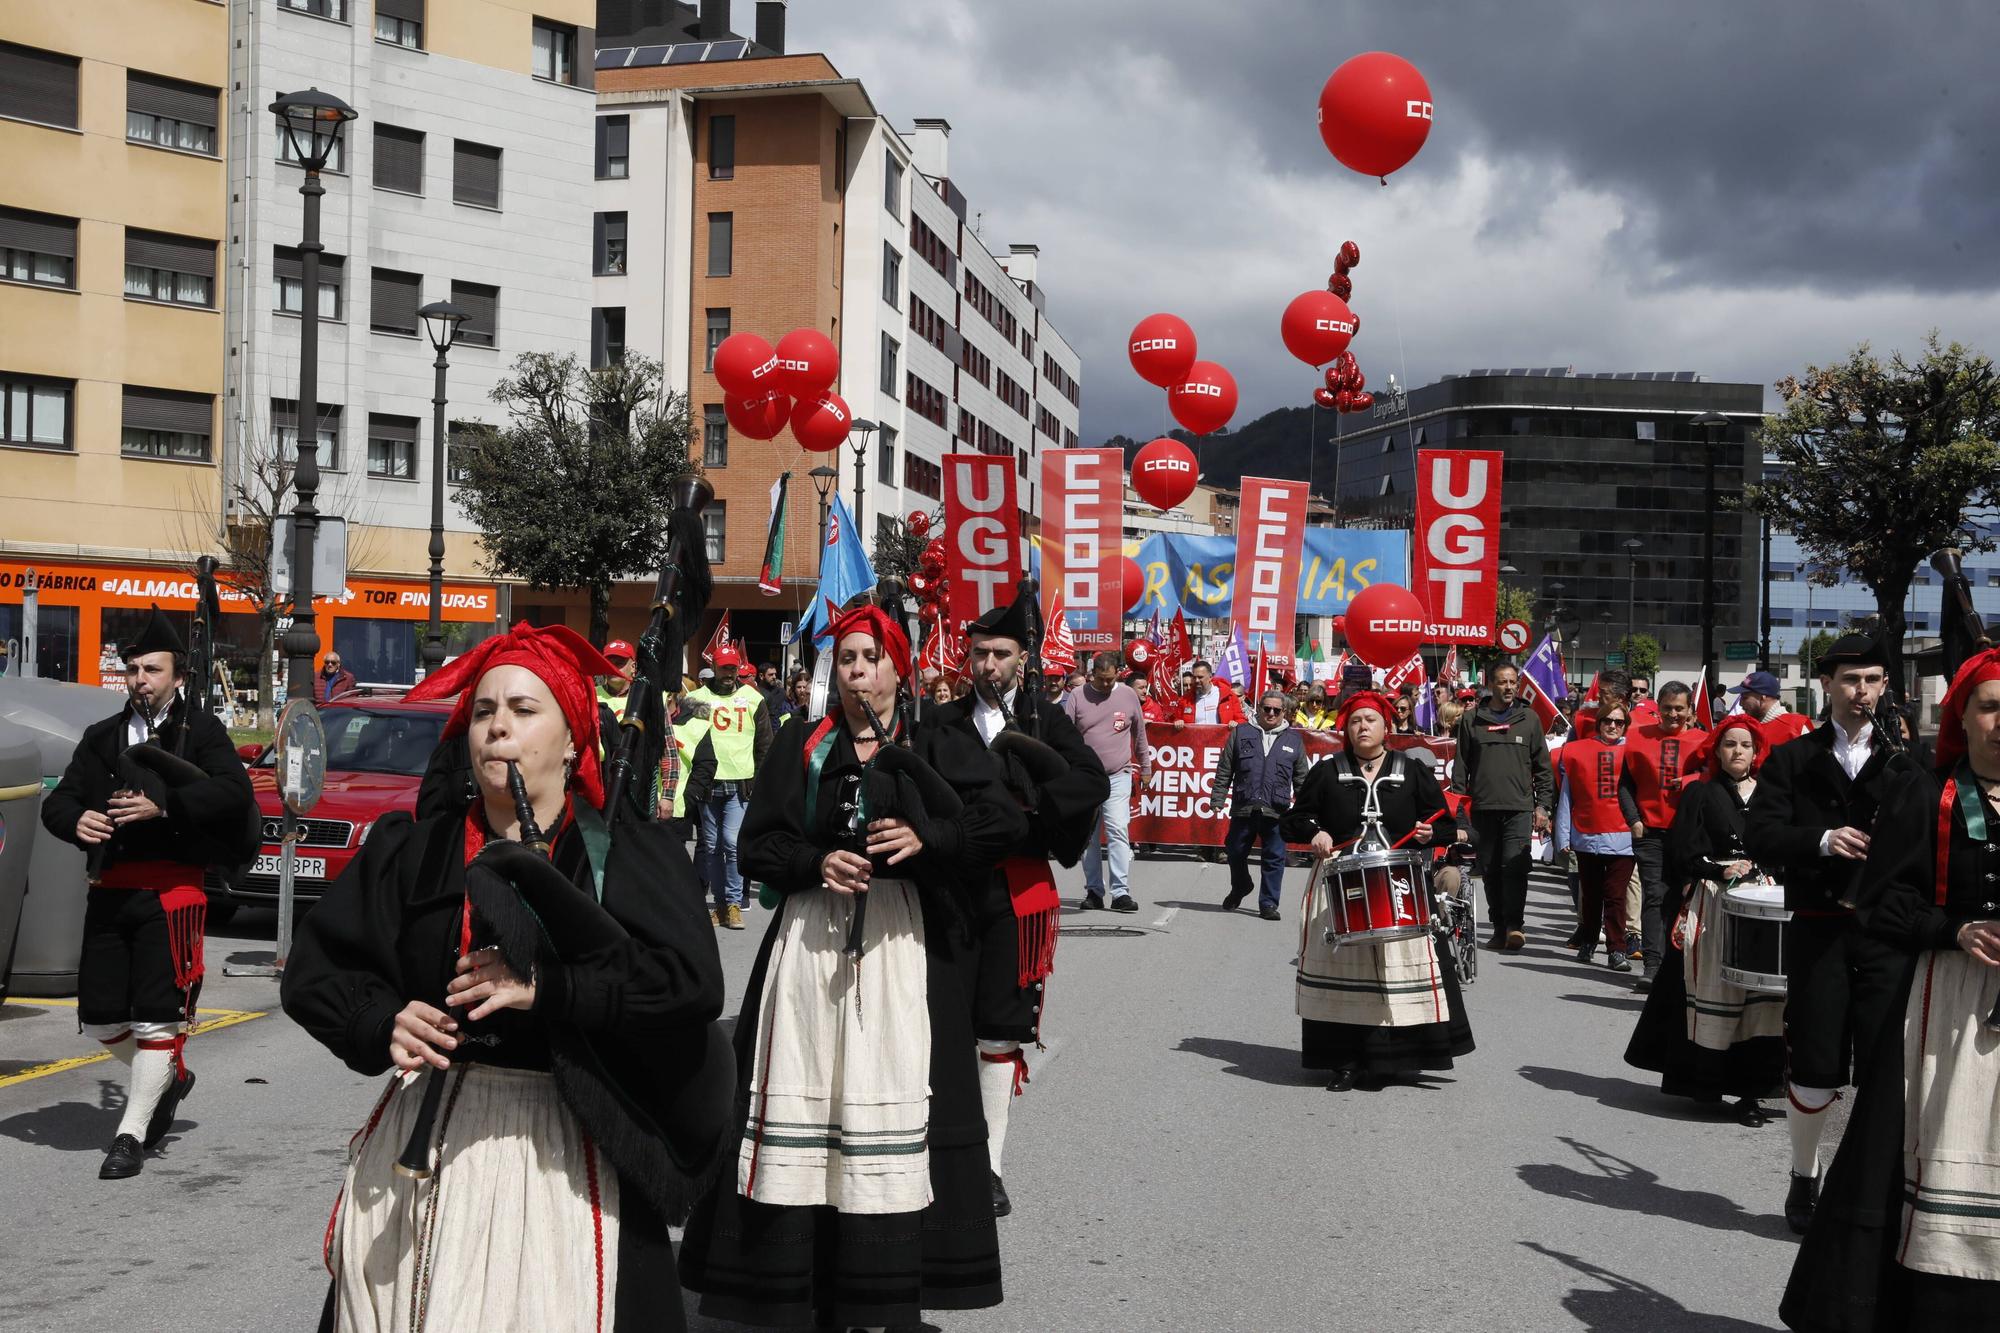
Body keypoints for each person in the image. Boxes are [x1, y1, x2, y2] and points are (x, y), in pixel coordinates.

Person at [282, 620, 729, 1332]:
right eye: (485, 711)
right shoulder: (417, 848)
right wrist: (381, 1019)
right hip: (432, 1139)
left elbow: (689, 984)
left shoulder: (620, 852)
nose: (498, 728)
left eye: (525, 710)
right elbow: (316, 969)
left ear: (573, 736)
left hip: (576, 1141)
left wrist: (553, 989)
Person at [677, 603, 1024, 1331]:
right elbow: (756, 848)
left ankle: (887, 1291)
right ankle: (801, 1285)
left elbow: (998, 823)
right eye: (846, 659)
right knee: (808, 1106)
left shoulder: (938, 742)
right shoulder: (804, 745)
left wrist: (925, 836)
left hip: (903, 951)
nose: (858, 670)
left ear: (901, 667)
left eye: (871, 657)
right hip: (808, 947)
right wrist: (814, 859)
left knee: (887, 1107)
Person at [1778, 646, 2000, 1331]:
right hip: (1949, 1004)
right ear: (1962, 714)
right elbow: (1880, 902)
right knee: (1928, 1157)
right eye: (1991, 705)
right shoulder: (1924, 792)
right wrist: (1955, 930)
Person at [40, 606, 257, 1179]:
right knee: (101, 1018)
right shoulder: (103, 737)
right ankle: (171, 1077)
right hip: (109, 890)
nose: (140, 679)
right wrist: (75, 820)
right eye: (133, 669)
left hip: (172, 894)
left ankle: (130, 1135)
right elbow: (58, 802)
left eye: (152, 670)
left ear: (177, 676)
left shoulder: (202, 731)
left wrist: (167, 805)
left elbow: (234, 793)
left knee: (157, 1019)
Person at [932, 591, 1107, 1218]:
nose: (987, 665)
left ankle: (988, 1164)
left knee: (1000, 1033)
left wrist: (1032, 805)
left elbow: (1090, 781)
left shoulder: (1044, 720)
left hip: (1016, 894)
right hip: (949, 890)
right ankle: (938, 1154)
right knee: (942, 1026)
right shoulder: (942, 721)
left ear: (1022, 658)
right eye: (978, 652)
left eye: (1000, 654)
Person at [1745, 632, 1915, 1235]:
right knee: (1815, 1059)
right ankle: (1803, 1172)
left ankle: (1870, 1187)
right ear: (1826, 685)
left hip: (1888, 933)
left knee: (1883, 1064)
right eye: (1850, 680)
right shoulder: (1794, 757)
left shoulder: (1904, 760)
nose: (1861, 691)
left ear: (1885, 686)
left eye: (1871, 680)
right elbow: (1761, 834)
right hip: (1820, 926)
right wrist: (1820, 839)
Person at [1281, 690, 1472, 1089]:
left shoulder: (1412, 771)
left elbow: (1443, 824)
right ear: (1345, 729)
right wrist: (1315, 833)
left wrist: (1426, 834)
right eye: (1354, 721)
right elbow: (1293, 820)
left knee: (1395, 969)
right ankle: (1345, 1061)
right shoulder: (1328, 771)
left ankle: (1390, 1060)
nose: (1362, 727)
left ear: (1387, 727)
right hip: (1339, 882)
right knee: (1343, 969)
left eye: (1370, 720)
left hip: (1398, 883)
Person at [1624, 717, 1786, 1117]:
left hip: (1764, 902)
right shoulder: (1701, 793)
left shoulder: (1773, 794)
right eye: (1729, 744)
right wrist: (1719, 870)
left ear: (1756, 751)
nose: (1737, 751)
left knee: (1761, 997)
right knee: (1714, 989)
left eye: (1745, 745)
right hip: (1715, 901)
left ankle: (1754, 1090)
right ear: (1717, 750)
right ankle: (1706, 1083)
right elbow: (1681, 852)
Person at [1450, 661, 1553, 953]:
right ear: (1491, 684)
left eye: (1513, 682)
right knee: (1491, 871)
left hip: (1519, 809)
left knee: (1515, 867)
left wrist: (1543, 806)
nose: (1509, 687)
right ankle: (1497, 926)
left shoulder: (1529, 719)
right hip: (1483, 809)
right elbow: (1461, 769)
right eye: (1503, 682)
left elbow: (1543, 769)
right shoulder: (1472, 720)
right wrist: (1459, 812)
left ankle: (1514, 926)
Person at [1620, 681, 1708, 989]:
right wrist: (1633, 819)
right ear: (1658, 707)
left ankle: (1680, 966)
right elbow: (1624, 785)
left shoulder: (1704, 741)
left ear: (1689, 711)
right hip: (1650, 832)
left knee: (1684, 897)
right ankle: (1653, 966)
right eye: (1668, 708)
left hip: (1689, 834)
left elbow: (1714, 780)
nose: (1673, 714)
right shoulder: (1636, 738)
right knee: (1654, 896)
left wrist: (1688, 780)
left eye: (1679, 708)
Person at [684, 640, 774, 929]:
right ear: (713, 667)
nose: (728, 673)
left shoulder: (753, 697)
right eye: (723, 668)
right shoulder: (696, 698)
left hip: (740, 783)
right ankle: (720, 905)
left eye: (733, 668)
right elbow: (685, 739)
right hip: (707, 783)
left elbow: (764, 744)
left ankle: (734, 903)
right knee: (710, 845)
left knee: (732, 843)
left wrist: (761, 783)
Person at [1064, 650, 1152, 913]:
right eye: (1101, 680)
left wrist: (1146, 767)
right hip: (1085, 778)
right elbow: (1065, 735)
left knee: (1117, 830)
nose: (1105, 685)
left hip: (1118, 775)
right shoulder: (1077, 697)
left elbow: (1139, 734)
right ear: (1092, 675)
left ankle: (1121, 892)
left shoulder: (1127, 695)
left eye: (1110, 680)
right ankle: (1093, 890)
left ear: (1117, 675)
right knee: (1089, 836)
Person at [1211, 689, 1309, 920]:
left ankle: (1268, 904)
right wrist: (1218, 798)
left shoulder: (1294, 740)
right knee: (1234, 851)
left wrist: (1305, 808)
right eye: (1267, 709)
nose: (1271, 713)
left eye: (1277, 710)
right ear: (1260, 709)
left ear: (1284, 712)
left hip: (1277, 810)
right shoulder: (1241, 733)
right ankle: (1241, 885)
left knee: (1274, 858)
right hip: (1245, 806)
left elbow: (1302, 778)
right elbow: (1225, 768)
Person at [1553, 699, 1636, 970]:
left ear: (1626, 725)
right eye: (1607, 720)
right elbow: (1567, 795)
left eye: (1618, 721)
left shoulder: (1634, 752)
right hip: (1587, 835)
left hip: (1623, 837)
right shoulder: (1575, 751)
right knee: (1590, 895)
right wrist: (1562, 836)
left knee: (1615, 895)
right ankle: (1588, 939)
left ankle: (1616, 948)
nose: (1612, 726)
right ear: (1599, 722)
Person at [1733, 669, 1815, 747]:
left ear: (1762, 697)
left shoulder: (1796, 728)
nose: (1740, 703)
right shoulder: (1746, 725)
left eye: (1745, 697)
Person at [597, 638, 638, 743]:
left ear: (633, 667)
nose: (612, 668)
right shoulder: (591, 694)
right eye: (608, 663)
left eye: (619, 663)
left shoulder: (642, 698)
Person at [1184, 659, 1247, 725]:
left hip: (1223, 735)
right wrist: (1178, 722)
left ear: (1210, 677)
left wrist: (1235, 723)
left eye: (1200, 677)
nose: (1196, 680)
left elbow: (1241, 719)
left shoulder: (1228, 696)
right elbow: (1176, 721)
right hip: (1195, 735)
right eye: (1194, 677)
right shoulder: (1185, 700)